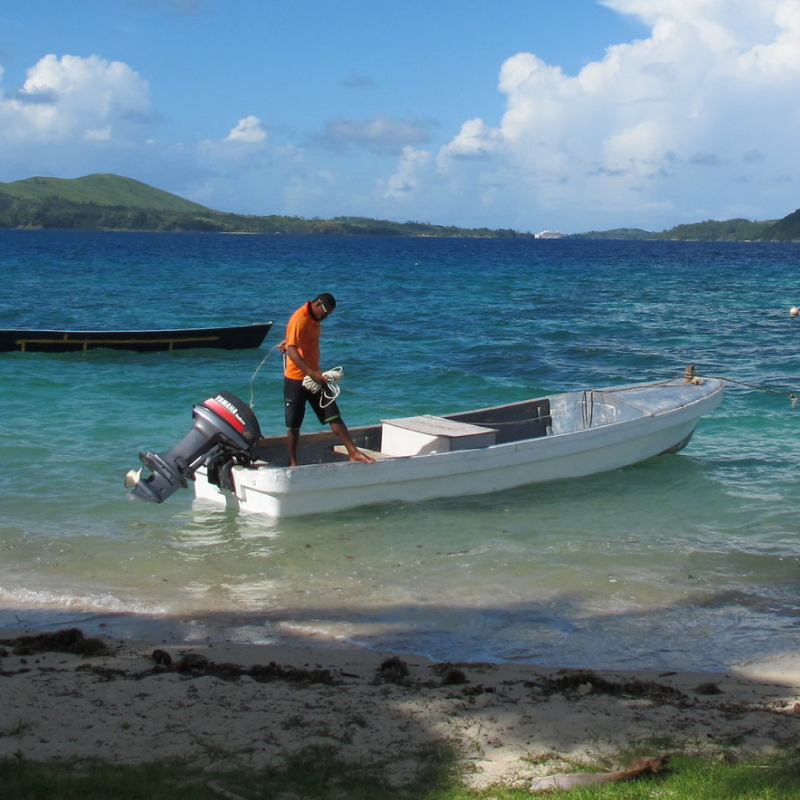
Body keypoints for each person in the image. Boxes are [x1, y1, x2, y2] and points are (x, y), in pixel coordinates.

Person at [281, 292, 375, 467]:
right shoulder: (298, 318)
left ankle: (353, 452)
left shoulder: (315, 320)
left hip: (315, 376)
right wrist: (311, 372)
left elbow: (297, 340)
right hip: (296, 379)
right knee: (293, 425)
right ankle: (293, 463)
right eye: (325, 312)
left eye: (329, 314)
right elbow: (292, 350)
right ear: (317, 305)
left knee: (333, 414)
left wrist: (288, 341)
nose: (326, 317)